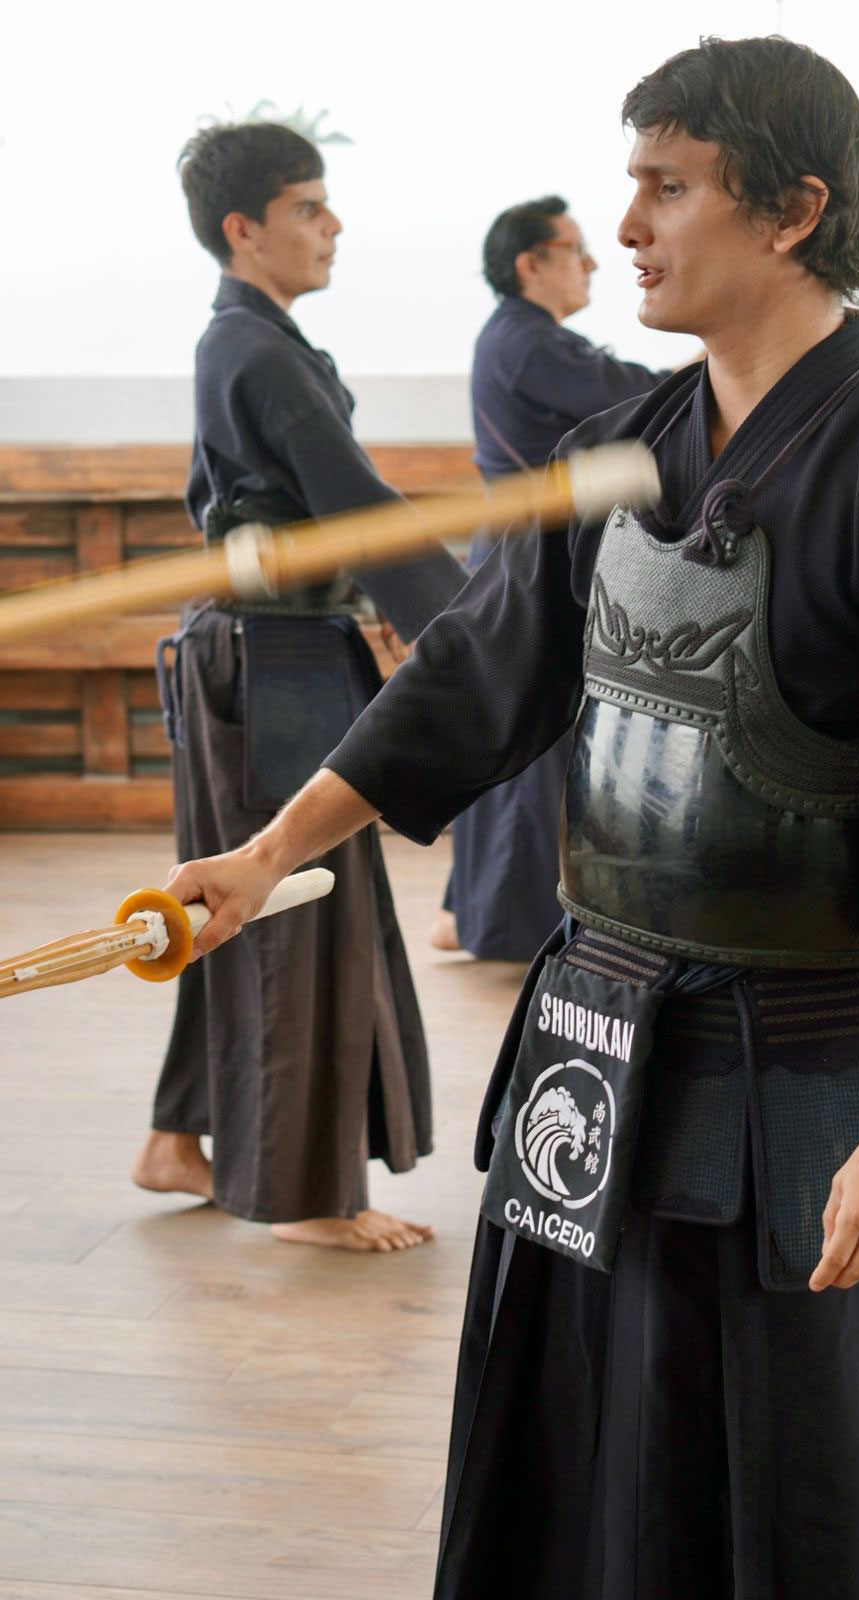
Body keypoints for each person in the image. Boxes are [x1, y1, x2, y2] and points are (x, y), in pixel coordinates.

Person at [162, 37, 859, 1598]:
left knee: (808, 1489)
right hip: (590, 1047)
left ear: (792, 209)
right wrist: (260, 856)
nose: (629, 226)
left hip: (811, 1080)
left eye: (667, 188)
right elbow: (462, 690)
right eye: (628, 188)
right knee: (573, 1470)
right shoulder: (612, 462)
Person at [131, 121, 465, 1253]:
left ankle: (175, 1137)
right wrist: (466, 633)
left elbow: (321, 517)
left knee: (226, 901)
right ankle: (306, 1196)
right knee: (289, 901)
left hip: (260, 654)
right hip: (268, 667)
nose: (332, 227)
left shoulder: (253, 341)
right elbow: (356, 504)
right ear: (245, 228)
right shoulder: (255, 350)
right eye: (308, 209)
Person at [433, 195, 667, 961]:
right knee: (532, 742)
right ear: (530, 263)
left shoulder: (521, 338)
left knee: (516, 734)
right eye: (575, 249)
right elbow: (629, 394)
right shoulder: (528, 341)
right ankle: (508, 926)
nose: (594, 262)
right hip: (528, 555)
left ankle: (476, 912)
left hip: (523, 549)